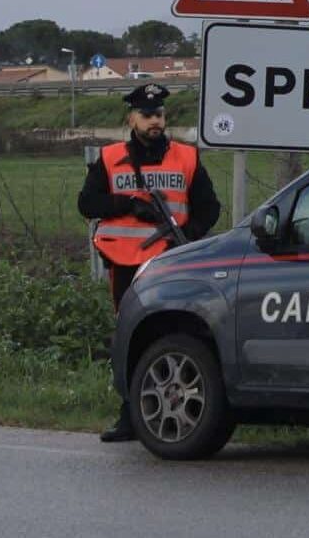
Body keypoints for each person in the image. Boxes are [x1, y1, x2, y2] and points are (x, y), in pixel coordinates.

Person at [76, 82, 220, 442]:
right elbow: (87, 204)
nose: (154, 121)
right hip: (125, 263)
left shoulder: (187, 157)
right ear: (132, 118)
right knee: (130, 336)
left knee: (173, 334)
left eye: (159, 115)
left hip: (172, 260)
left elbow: (209, 207)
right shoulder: (110, 159)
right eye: (146, 115)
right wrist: (127, 205)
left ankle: (176, 409)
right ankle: (129, 415)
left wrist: (188, 233)